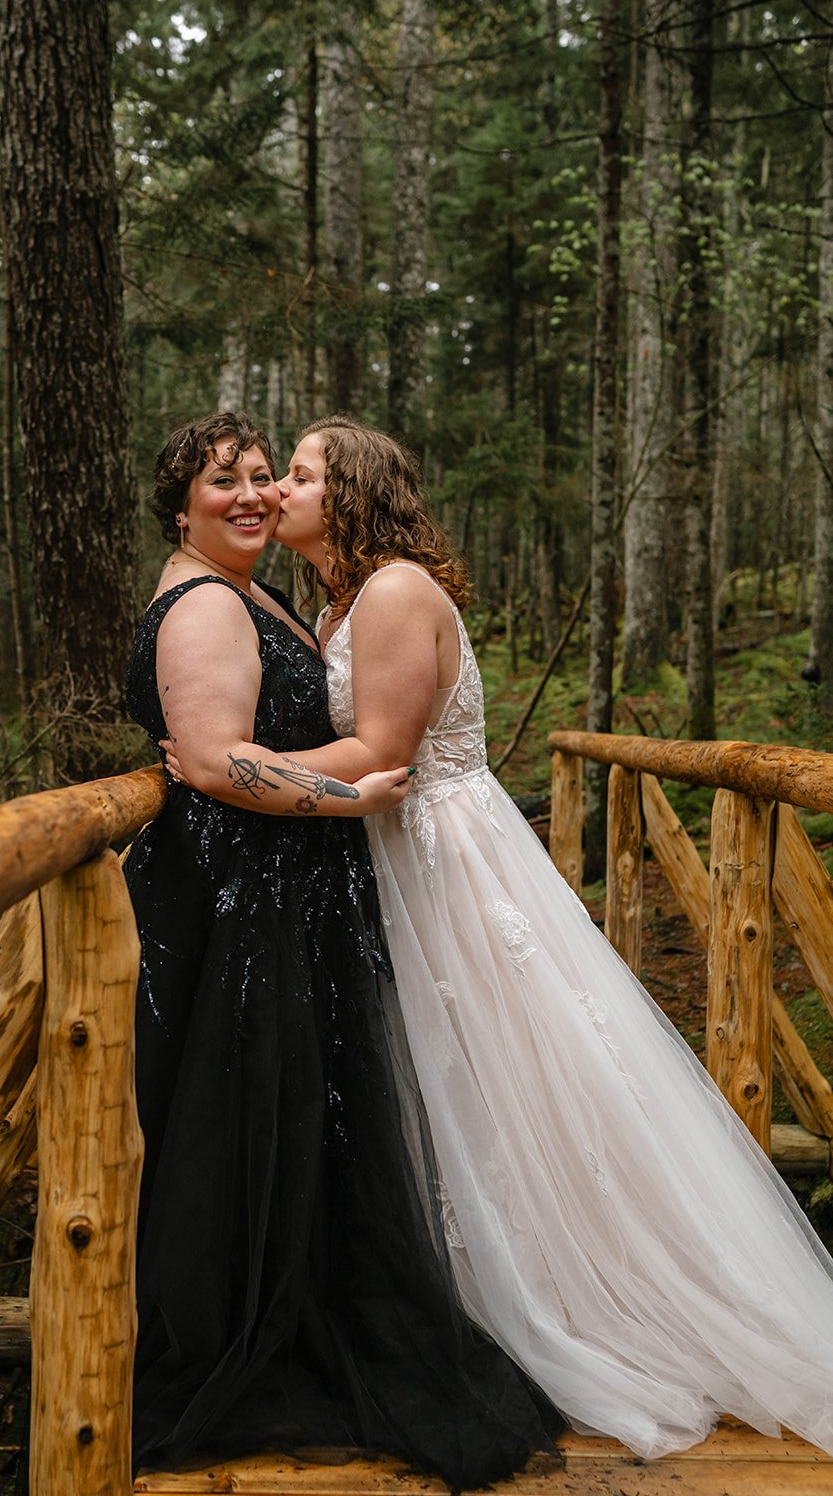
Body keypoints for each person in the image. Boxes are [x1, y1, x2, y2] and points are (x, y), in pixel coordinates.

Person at [172, 412, 833, 1461]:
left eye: (297, 475)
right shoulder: (340, 595)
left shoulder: (389, 591)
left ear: (347, 495)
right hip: (393, 849)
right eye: (275, 476)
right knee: (456, 1080)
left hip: (441, 855)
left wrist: (227, 760)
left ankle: (581, 1293)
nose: (278, 492)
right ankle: (475, 1284)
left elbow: (383, 747)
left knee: (508, 1069)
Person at [122, 411, 561, 1487]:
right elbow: (223, 760)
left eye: (276, 474)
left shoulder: (321, 594)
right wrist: (335, 794)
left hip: (362, 876)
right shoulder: (213, 602)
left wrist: (311, 789)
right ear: (179, 503)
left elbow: (276, 755)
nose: (258, 494)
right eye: (228, 480)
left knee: (441, 1089)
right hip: (257, 899)